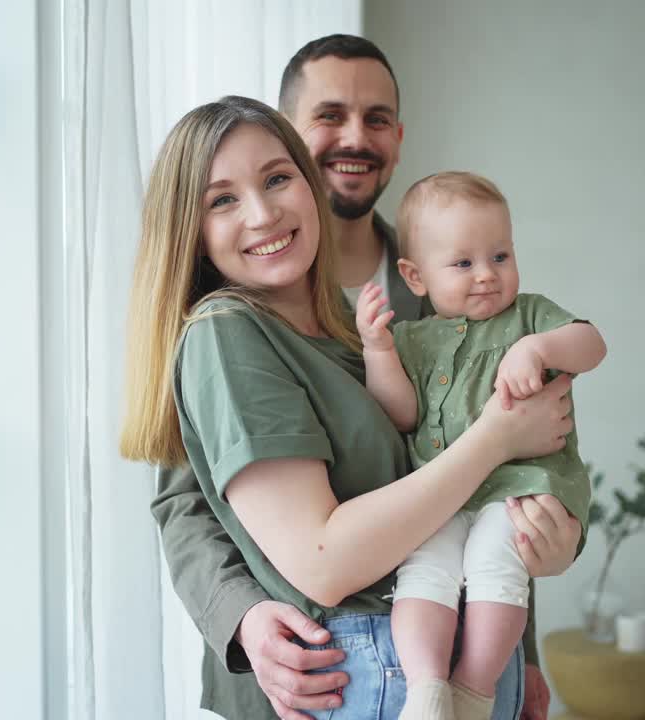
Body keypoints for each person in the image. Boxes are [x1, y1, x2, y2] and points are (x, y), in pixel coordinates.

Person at [151, 36, 584, 720]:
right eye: (331, 114)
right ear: (295, 132)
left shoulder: (446, 278)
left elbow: (488, 480)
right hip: (325, 663)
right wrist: (243, 617)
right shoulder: (229, 329)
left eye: (376, 118)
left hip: (460, 646)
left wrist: (525, 628)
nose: (355, 136)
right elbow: (191, 500)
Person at [354, 171, 605, 720]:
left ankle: (472, 687)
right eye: (463, 264)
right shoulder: (412, 340)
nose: (487, 276)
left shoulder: (530, 316)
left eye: (500, 256)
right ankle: (426, 688)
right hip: (440, 495)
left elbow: (592, 344)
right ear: (415, 277)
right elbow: (403, 412)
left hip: (516, 492)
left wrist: (538, 349)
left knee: (496, 566)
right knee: (424, 571)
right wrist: (377, 350)